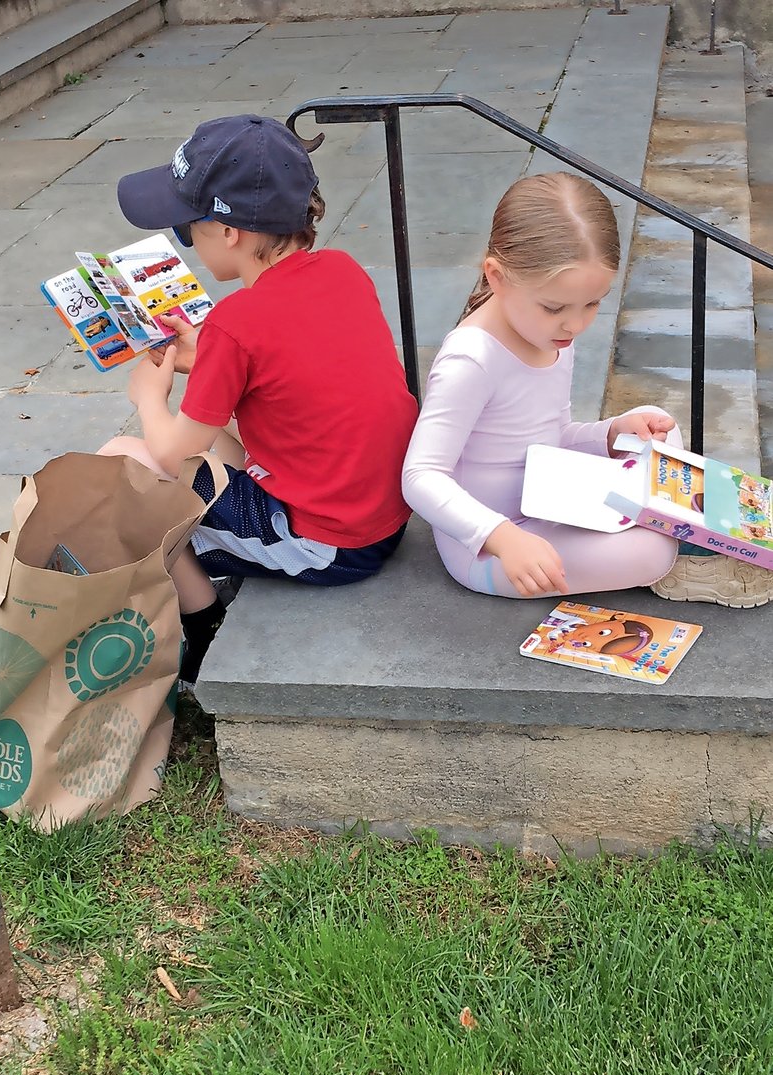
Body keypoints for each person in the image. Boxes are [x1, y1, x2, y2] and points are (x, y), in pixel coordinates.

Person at [99, 115, 418, 683]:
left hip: (325, 544)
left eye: (183, 229)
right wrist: (208, 357)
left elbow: (170, 456)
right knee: (214, 438)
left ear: (229, 233)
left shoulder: (237, 322)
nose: (185, 244)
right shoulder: (343, 271)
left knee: (125, 463)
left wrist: (150, 397)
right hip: (382, 518)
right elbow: (291, 371)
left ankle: (202, 631)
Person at [402, 171, 773, 607]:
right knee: (649, 551)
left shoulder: (550, 334)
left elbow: (551, 435)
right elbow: (420, 477)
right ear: (497, 276)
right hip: (496, 545)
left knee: (655, 429)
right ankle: (670, 553)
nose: (575, 325)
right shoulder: (471, 360)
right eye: (554, 307)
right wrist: (501, 538)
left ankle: (658, 526)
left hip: (551, 492)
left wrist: (611, 433)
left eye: (593, 304)